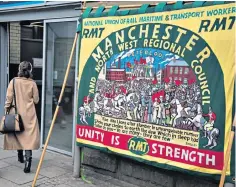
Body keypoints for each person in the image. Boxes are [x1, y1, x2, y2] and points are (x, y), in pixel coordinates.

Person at [4, 61, 40, 173]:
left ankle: (20, 156)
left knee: (18, 133)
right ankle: (28, 162)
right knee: (28, 137)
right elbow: (36, 100)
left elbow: (8, 99)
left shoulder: (13, 81)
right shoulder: (32, 83)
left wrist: (6, 111)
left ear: (19, 69)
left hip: (16, 112)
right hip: (29, 114)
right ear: (31, 70)